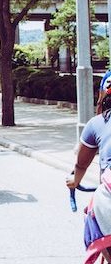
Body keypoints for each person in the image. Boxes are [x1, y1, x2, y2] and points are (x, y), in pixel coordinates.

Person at [67, 82, 111, 263]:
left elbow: (81, 164)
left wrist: (75, 181)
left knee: (95, 221)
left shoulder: (97, 122)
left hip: (109, 191)